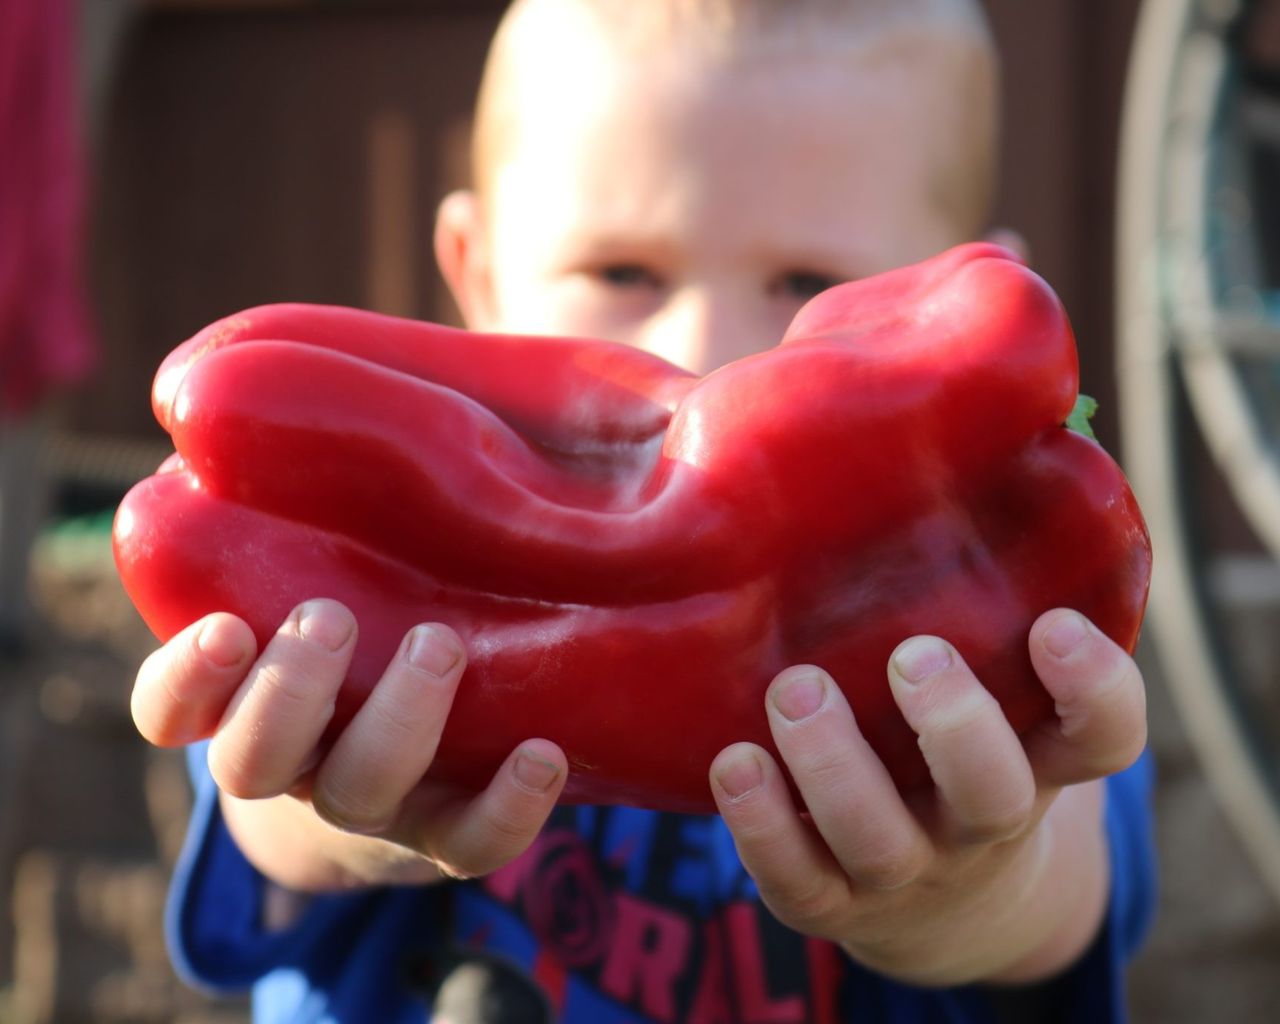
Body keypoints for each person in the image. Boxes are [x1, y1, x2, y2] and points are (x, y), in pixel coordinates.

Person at [133, 0, 1157, 1020]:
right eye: (621, 271)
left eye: (807, 280)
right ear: (474, 272)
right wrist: (337, 822)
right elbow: (265, 848)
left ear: (945, 307)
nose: (702, 340)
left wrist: (969, 893)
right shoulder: (347, 554)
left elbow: (1057, 889)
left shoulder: (994, 624)